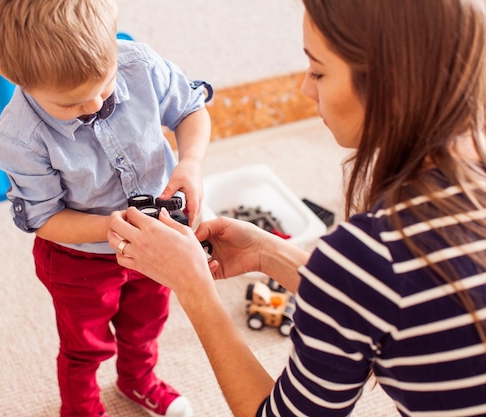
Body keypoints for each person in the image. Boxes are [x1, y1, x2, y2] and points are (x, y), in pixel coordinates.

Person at [107, 0, 486, 416]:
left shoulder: (371, 254)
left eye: (319, 70)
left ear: (389, 82)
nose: (306, 88)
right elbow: (392, 302)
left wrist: (194, 288)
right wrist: (268, 254)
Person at [0, 1, 212, 416]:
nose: (92, 107)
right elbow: (45, 219)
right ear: (11, 76)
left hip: (155, 242)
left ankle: (136, 380)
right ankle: (80, 408)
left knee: (146, 325)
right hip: (79, 259)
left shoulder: (140, 64)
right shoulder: (20, 138)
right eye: (70, 104)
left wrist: (190, 163)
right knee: (83, 345)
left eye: (104, 86)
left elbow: (191, 110)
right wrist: (109, 225)